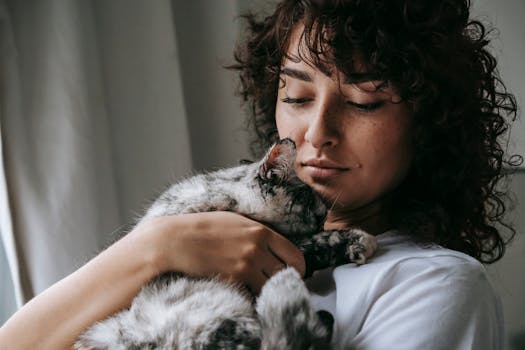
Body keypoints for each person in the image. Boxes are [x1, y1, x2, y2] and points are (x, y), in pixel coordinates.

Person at [0, 0, 521, 349]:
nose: (316, 133)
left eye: (364, 102)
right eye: (295, 96)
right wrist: (152, 247)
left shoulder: (432, 285)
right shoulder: (202, 246)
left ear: (429, 122)